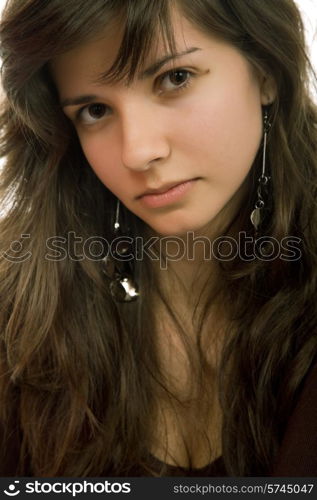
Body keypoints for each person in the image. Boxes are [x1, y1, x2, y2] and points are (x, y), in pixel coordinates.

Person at [0, 0, 316, 477]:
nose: (138, 151)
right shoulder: (20, 314)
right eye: (95, 109)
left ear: (267, 71)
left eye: (175, 78)